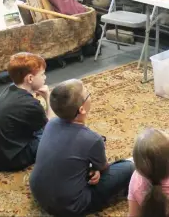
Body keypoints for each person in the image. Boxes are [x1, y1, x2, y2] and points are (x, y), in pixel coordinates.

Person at [29, 79, 134, 217]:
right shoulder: (92, 139)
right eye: (87, 94)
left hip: (38, 192)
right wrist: (96, 169)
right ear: (82, 109)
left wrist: (92, 169)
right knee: (129, 167)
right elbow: (104, 168)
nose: (89, 94)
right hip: (69, 207)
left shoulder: (51, 123)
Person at [0, 52, 54, 172]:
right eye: (42, 74)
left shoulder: (10, 88)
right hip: (12, 160)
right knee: (56, 135)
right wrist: (48, 97)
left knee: (39, 125)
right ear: (30, 78)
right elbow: (52, 128)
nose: (45, 78)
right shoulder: (31, 105)